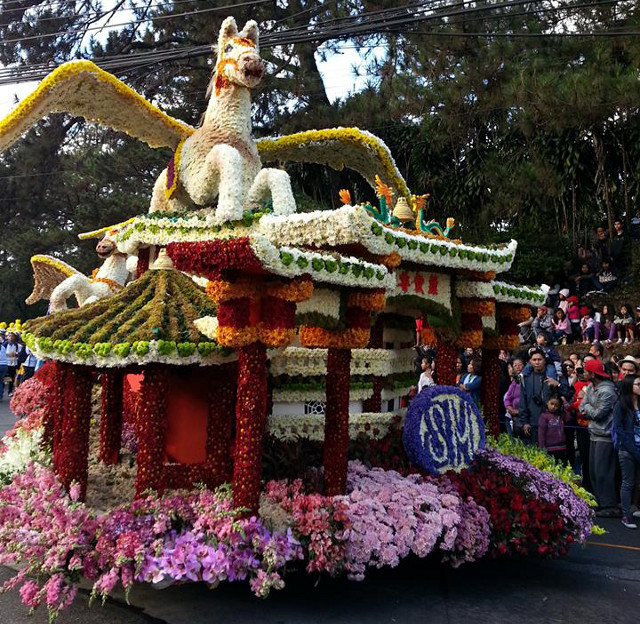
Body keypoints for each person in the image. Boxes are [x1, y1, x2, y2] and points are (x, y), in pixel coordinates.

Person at [579, 359, 619, 517]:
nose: (583, 373)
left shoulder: (607, 391)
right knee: (594, 472)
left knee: (604, 472)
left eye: (586, 371)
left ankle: (609, 505)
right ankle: (600, 503)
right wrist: (588, 407)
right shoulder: (591, 386)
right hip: (594, 434)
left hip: (605, 436)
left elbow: (597, 413)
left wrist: (587, 407)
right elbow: (581, 406)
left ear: (593, 374)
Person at [612, 375, 640, 528]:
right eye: (638, 384)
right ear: (630, 386)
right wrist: (633, 449)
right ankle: (626, 515)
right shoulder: (621, 405)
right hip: (628, 449)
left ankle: (635, 509)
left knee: (637, 482)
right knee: (628, 482)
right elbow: (619, 429)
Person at [518, 349, 560, 444]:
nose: (537, 362)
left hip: (552, 424)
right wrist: (524, 422)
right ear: (530, 362)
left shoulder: (553, 376)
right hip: (533, 423)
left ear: (544, 360)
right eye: (534, 360)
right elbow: (523, 402)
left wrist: (558, 385)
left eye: (539, 359)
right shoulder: (526, 379)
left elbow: (566, 394)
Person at [571, 363, 592, 491]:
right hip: (580, 428)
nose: (583, 373)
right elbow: (572, 407)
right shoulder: (577, 386)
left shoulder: (594, 387)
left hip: (592, 427)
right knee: (582, 457)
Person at [538, 396, 571, 464]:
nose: (553, 407)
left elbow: (569, 418)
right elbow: (541, 433)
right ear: (547, 403)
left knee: (562, 466)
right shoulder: (544, 416)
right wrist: (542, 447)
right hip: (549, 448)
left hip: (562, 447)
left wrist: (565, 404)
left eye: (556, 405)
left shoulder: (561, 415)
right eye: (552, 404)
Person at [504, 357, 524, 435]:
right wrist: (509, 407)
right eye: (515, 365)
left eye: (519, 365)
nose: (517, 367)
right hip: (512, 413)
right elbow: (507, 397)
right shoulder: (514, 382)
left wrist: (519, 411)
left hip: (522, 413)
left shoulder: (526, 379)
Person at [4, 332, 23, 397]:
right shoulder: (5, 344)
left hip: (14, 364)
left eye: (12, 336)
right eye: (9, 336)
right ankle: (2, 390)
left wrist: (15, 354)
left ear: (15, 337)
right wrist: (8, 354)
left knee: (11, 378)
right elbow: (2, 353)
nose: (11, 337)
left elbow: (20, 354)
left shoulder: (17, 345)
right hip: (6, 363)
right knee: (4, 378)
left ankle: (10, 391)